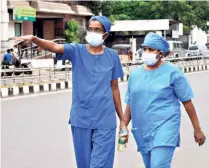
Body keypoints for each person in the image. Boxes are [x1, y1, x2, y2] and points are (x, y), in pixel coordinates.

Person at [15, 15, 128, 168]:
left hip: (105, 121)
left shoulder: (112, 56)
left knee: (100, 165)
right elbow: (54, 47)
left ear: (105, 35)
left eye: (97, 30)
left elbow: (114, 88)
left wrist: (122, 119)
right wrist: (35, 39)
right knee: (84, 165)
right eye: (90, 29)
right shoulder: (76, 50)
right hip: (81, 119)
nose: (92, 32)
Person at [124, 32, 206, 168]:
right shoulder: (135, 75)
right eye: (144, 49)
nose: (146, 52)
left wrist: (197, 129)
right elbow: (130, 103)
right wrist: (123, 126)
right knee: (150, 165)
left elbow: (187, 102)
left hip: (166, 127)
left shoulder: (173, 73)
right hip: (142, 129)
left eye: (151, 49)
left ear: (161, 53)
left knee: (158, 165)